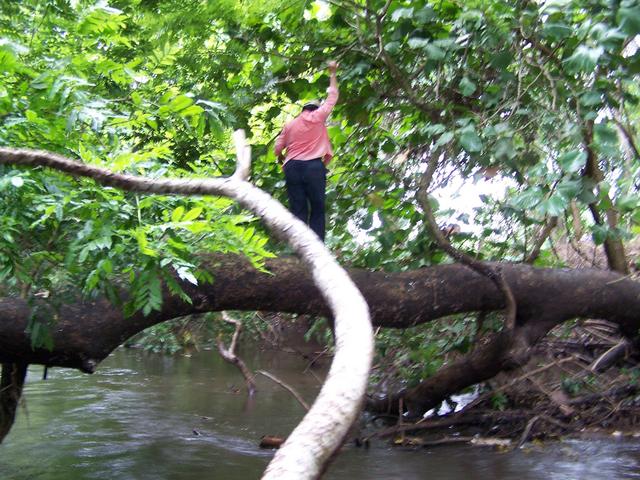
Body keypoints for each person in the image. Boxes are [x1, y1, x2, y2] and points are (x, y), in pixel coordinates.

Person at [274, 60, 339, 241]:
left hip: (292, 168)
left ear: (303, 110)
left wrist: (280, 158)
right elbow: (332, 97)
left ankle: (300, 249)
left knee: (298, 209)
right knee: (317, 208)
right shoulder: (318, 117)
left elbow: (277, 148)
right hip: (313, 168)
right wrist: (332, 73)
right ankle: (317, 247)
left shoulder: (290, 125)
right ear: (316, 109)